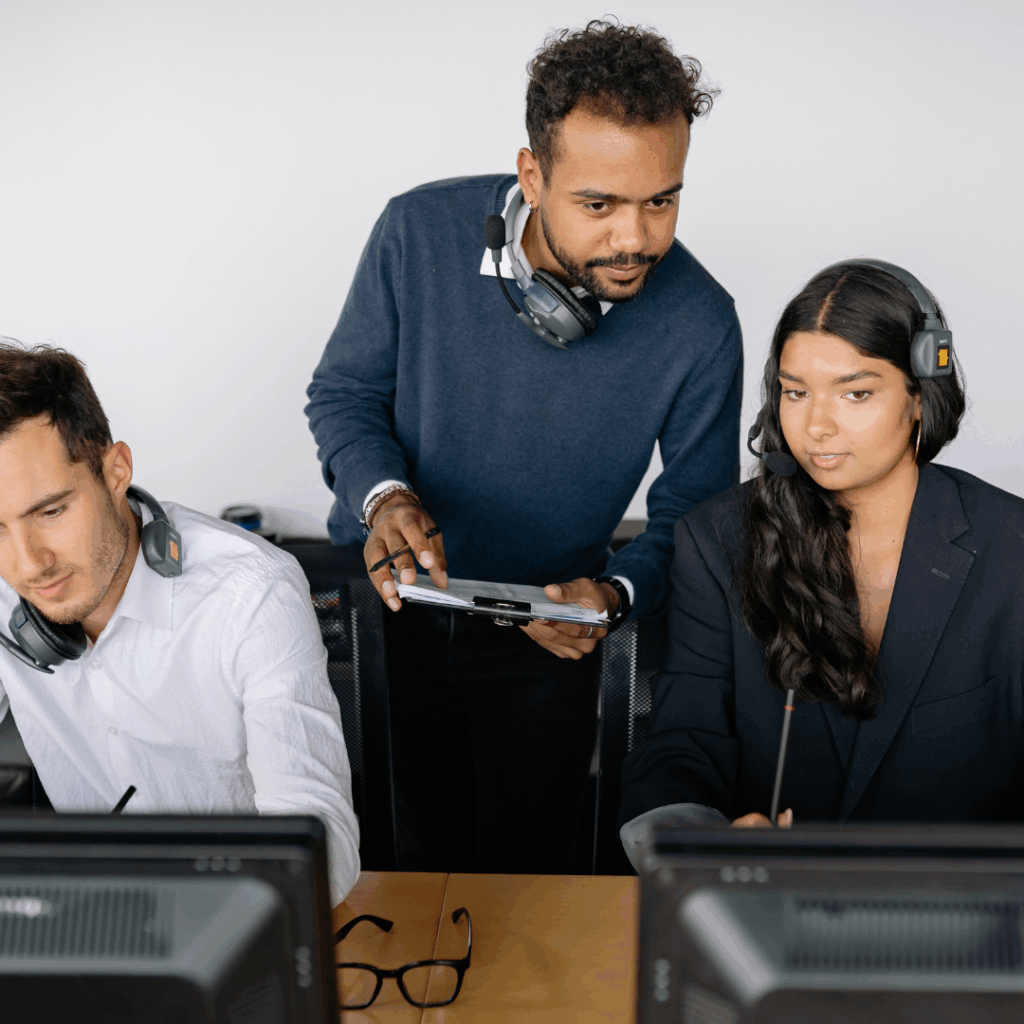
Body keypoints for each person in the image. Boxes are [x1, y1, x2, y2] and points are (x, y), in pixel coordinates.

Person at [305, 20, 743, 873]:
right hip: (390, 619)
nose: (636, 238)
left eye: (662, 199)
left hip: (546, 641)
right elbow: (345, 394)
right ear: (533, 176)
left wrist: (611, 598)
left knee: (528, 875)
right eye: (599, 204)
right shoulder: (415, 232)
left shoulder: (699, 320)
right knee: (394, 866)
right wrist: (384, 496)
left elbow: (692, 520)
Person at [617, 259, 1024, 870]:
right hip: (764, 918)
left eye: (856, 393)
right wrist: (703, 842)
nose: (816, 426)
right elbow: (682, 745)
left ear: (920, 396)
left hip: (961, 927)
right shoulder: (718, 540)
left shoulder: (1011, 545)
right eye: (795, 392)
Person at [0, 343, 360, 905]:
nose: (27, 564)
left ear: (115, 470)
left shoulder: (250, 594)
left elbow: (322, 852)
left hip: (237, 929)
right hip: (89, 928)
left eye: (50, 512)